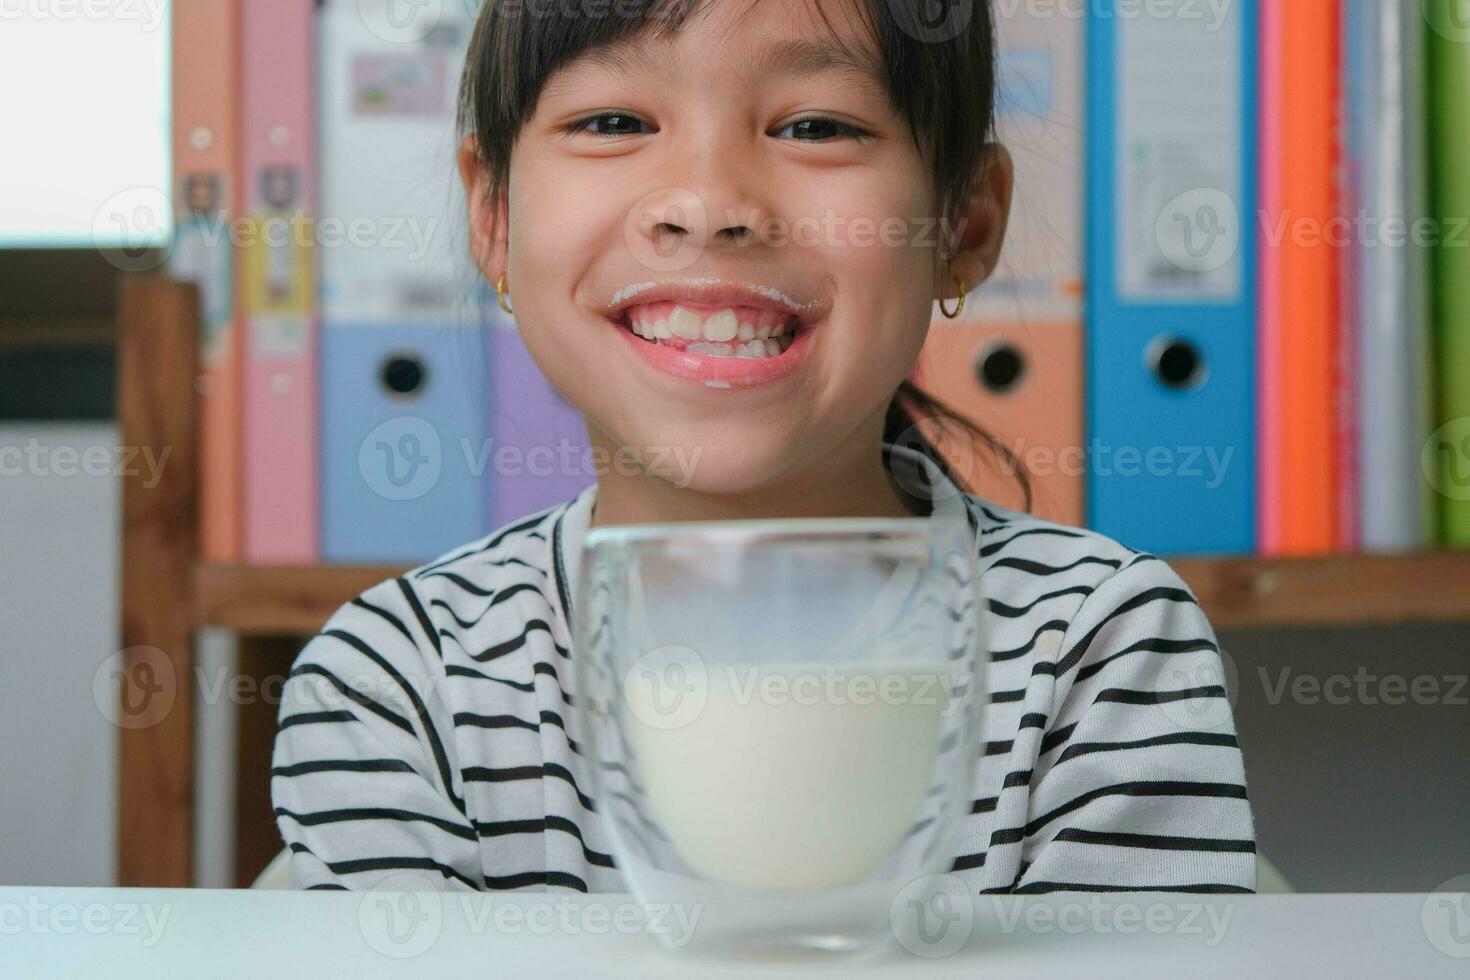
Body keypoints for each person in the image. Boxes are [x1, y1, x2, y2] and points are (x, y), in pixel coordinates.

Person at [271, 0, 1256, 895]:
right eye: (613, 122)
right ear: (493, 216)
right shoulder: (399, 681)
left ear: (967, 220)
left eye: (817, 126)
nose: (707, 203)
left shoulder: (1101, 652)